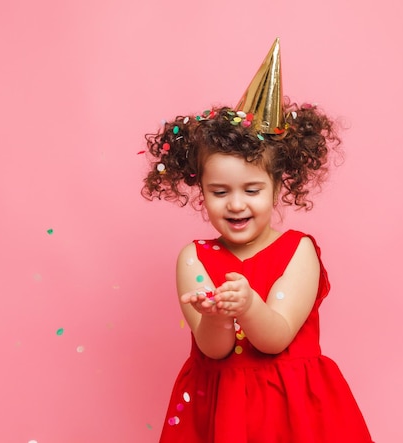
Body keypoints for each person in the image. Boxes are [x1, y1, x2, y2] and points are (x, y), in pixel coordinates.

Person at [140, 38, 373, 443]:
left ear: (278, 186)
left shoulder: (298, 251)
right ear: (201, 190)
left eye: (251, 190)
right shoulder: (194, 259)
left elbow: (276, 337)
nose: (235, 204)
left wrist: (246, 305)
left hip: (294, 411)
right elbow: (215, 351)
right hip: (221, 409)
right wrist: (215, 316)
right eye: (219, 192)